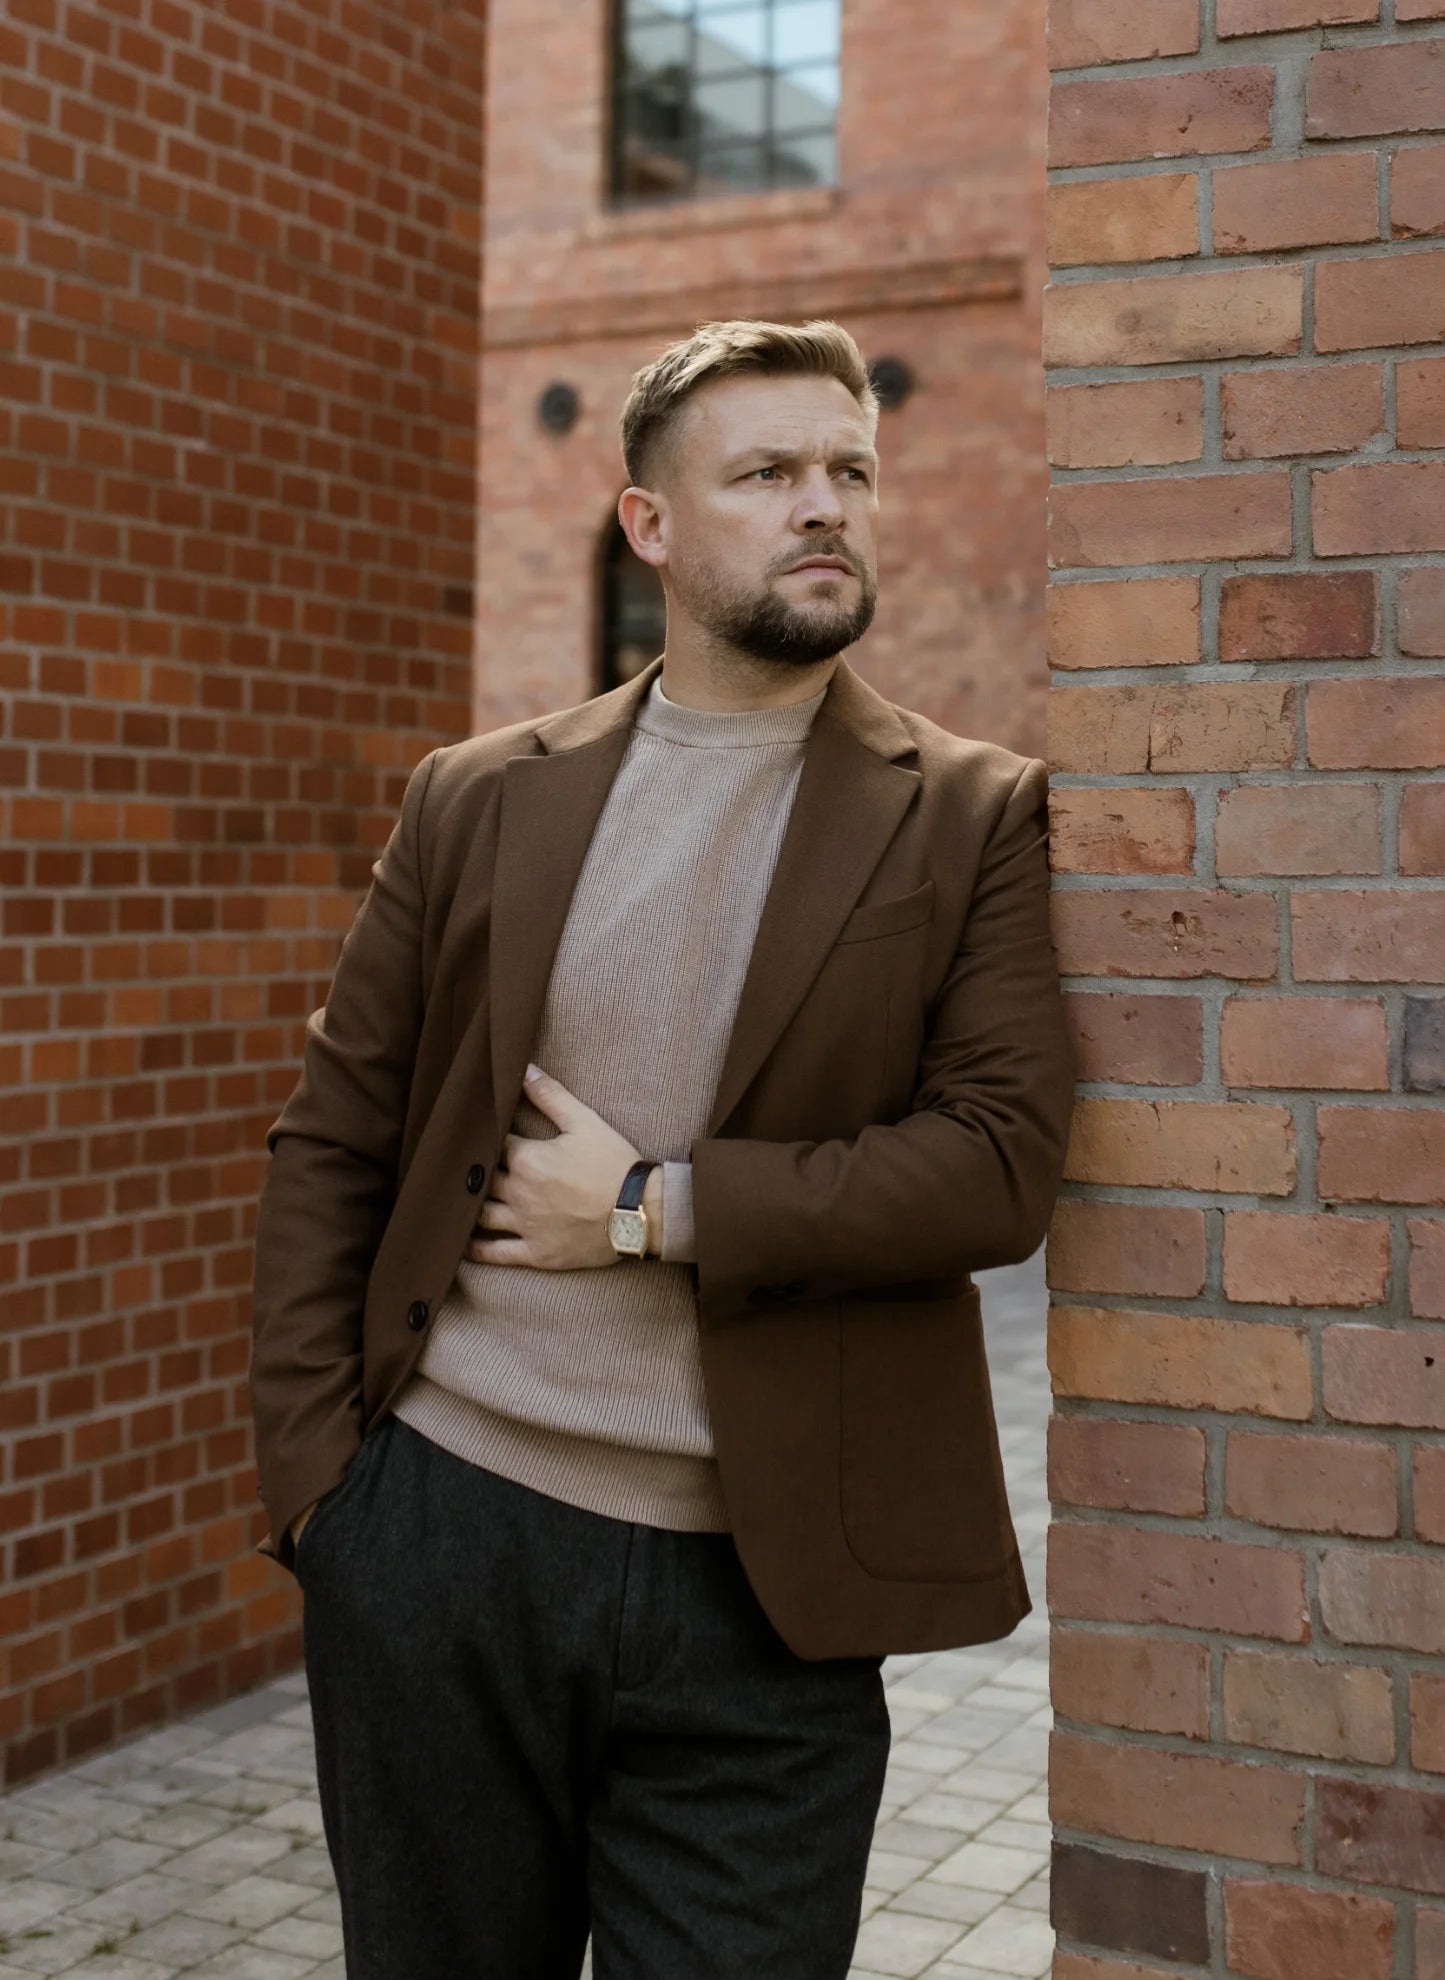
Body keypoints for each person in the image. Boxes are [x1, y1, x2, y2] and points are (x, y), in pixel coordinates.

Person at [249, 317, 1075, 1979]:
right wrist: (323, 1498)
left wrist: (649, 1210)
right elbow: (334, 1139)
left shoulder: (973, 812)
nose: (820, 507)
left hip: (762, 1591)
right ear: (651, 526)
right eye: (765, 474)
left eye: (847, 470)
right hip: (441, 1539)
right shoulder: (478, 797)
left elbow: (994, 1163)